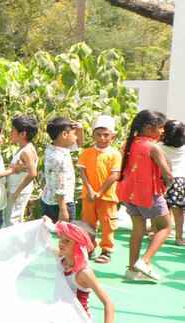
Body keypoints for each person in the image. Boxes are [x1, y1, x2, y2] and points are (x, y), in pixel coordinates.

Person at [23, 221, 115, 323]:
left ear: (79, 246)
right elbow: (44, 245)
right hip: (58, 316)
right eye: (61, 239)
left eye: (67, 241)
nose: (61, 243)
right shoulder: (62, 259)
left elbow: (108, 303)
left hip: (76, 322)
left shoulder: (84, 273)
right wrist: (46, 226)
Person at [118, 110, 173, 282]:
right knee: (165, 227)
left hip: (129, 193)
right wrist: (168, 185)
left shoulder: (130, 143)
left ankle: (132, 268)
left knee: (138, 229)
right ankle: (145, 261)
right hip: (148, 193)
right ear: (149, 128)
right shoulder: (153, 147)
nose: (162, 131)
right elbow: (168, 174)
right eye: (161, 127)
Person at [77, 115, 121, 263]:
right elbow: (82, 171)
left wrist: (100, 192)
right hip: (88, 196)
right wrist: (90, 190)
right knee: (88, 224)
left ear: (112, 136)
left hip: (107, 197)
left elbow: (114, 175)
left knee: (107, 225)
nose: (102, 138)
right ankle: (89, 248)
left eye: (106, 135)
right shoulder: (87, 152)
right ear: (93, 135)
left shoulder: (115, 154)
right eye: (98, 134)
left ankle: (106, 251)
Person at [40, 116, 83, 223]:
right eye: (74, 134)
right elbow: (59, 186)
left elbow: (79, 144)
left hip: (50, 200)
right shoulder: (58, 158)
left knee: (52, 230)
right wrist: (63, 210)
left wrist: (80, 130)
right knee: (65, 232)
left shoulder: (54, 148)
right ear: (64, 135)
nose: (75, 137)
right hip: (61, 203)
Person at [4, 115, 39, 226]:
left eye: (13, 130)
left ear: (23, 134)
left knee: (13, 221)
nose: (10, 133)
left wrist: (17, 192)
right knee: (11, 219)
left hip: (18, 191)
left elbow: (33, 173)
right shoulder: (24, 149)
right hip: (15, 190)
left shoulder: (26, 151)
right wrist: (19, 168)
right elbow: (27, 167)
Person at [159, 119, 185, 246]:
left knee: (162, 208)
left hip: (163, 179)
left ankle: (158, 232)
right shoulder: (183, 147)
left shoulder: (159, 146)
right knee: (179, 211)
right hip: (180, 181)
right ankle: (179, 237)